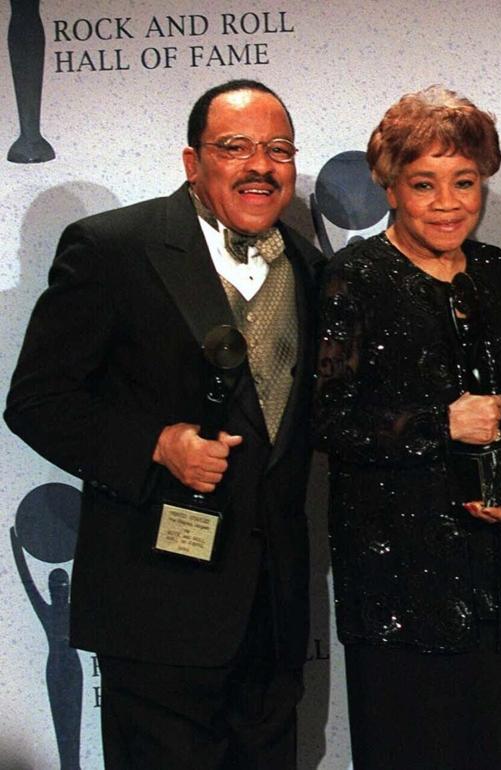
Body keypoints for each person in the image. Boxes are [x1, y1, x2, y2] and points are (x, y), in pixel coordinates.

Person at [5, 79, 322, 768]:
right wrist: (156, 445)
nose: (259, 166)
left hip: (272, 619)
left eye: (278, 149)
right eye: (234, 147)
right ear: (192, 162)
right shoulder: (113, 248)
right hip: (156, 611)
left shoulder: (310, 265)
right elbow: (37, 400)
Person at [312, 86, 501, 770]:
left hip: (490, 567)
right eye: (424, 183)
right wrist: (442, 424)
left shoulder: (496, 273)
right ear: (390, 187)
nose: (448, 203)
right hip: (396, 579)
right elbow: (328, 423)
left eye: (464, 182)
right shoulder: (353, 277)